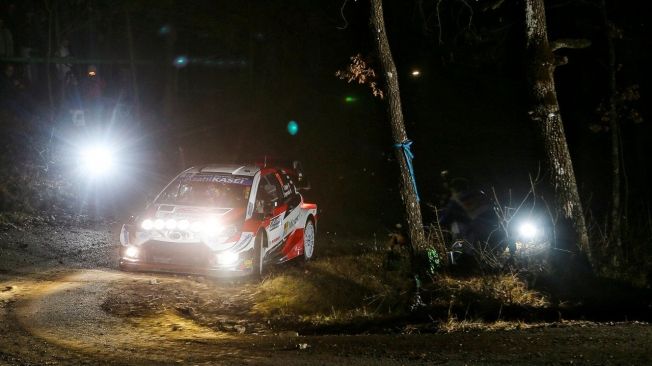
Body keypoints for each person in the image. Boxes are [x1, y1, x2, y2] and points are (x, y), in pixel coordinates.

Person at [439, 178, 504, 260]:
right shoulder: (480, 195)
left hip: (471, 233)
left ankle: (456, 263)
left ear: (455, 189)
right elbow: (493, 210)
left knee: (457, 234)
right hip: (493, 232)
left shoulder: (456, 199)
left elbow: (444, 218)